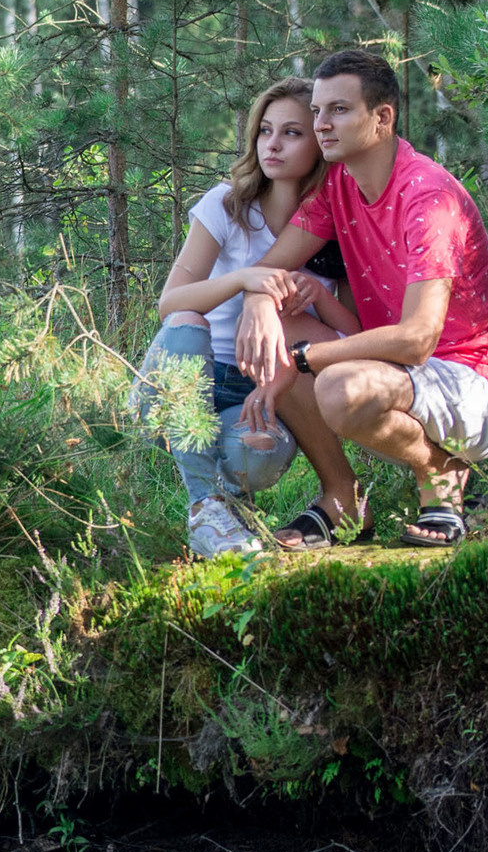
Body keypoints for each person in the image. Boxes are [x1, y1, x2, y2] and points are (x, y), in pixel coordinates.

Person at [231, 47, 488, 550]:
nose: (321, 124)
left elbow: (417, 340)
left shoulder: (428, 197)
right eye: (317, 111)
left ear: (382, 118)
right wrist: (258, 300)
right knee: (275, 323)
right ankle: (343, 499)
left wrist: (305, 359)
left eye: (338, 110)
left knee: (336, 385)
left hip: (469, 385)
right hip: (390, 368)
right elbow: (266, 269)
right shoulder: (338, 183)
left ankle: (441, 474)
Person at [144, 77, 361, 557]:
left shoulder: (334, 232)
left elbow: (355, 340)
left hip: (259, 395)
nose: (273, 145)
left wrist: (319, 300)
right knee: (188, 323)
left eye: (292, 133)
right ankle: (205, 506)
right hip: (183, 378)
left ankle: (232, 513)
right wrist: (248, 280)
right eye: (264, 131)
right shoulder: (226, 205)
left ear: (322, 142)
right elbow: (170, 303)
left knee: (258, 454)